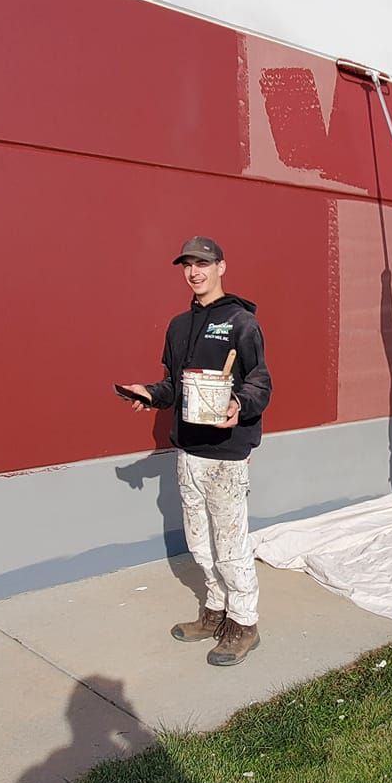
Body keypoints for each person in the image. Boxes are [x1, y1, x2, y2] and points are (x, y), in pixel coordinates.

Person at [118, 235, 271, 666]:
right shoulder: (178, 326)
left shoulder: (242, 323)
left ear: (221, 266)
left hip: (225, 454)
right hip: (188, 452)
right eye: (187, 264)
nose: (194, 271)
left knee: (230, 544)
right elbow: (174, 386)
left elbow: (260, 382)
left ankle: (244, 624)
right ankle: (215, 612)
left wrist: (238, 405)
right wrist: (149, 393)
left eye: (202, 263)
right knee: (200, 544)